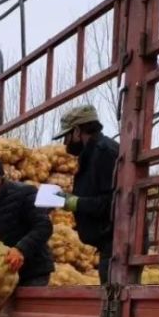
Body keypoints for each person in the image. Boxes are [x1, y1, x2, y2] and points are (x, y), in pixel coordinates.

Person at [0, 157, 54, 286]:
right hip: (8, 272)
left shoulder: (25, 193)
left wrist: (21, 249)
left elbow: (44, 226)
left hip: (33, 271)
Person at [55, 105, 119, 284]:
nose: (65, 143)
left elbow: (113, 202)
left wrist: (76, 203)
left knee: (113, 305)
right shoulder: (92, 153)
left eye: (66, 137)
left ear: (77, 131)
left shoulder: (104, 152)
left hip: (118, 245)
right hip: (110, 244)